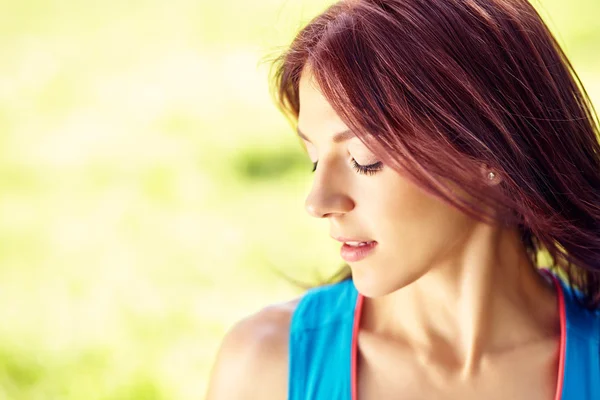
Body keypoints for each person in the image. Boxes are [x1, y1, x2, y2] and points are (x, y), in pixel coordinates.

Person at [205, 0, 600, 398]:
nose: (318, 201)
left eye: (364, 159)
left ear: (491, 152)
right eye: (313, 160)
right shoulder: (265, 367)